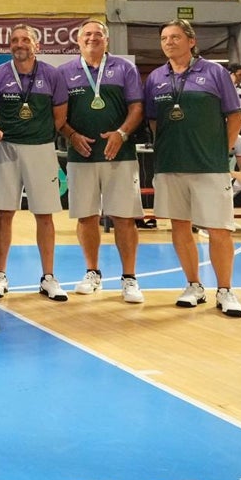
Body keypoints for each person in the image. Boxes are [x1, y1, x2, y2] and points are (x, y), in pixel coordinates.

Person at [144, 19, 241, 318]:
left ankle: (225, 290)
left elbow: (235, 118)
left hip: (209, 166)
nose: (169, 42)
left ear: (191, 40)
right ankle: (194, 285)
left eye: (175, 36)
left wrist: (218, 152)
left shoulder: (215, 72)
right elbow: (153, 121)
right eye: (164, 38)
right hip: (171, 165)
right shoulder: (155, 78)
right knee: (179, 226)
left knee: (219, 229)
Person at [56, 20, 146, 303]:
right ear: (78, 40)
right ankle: (92, 272)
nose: (92, 38)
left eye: (98, 34)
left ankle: (129, 278)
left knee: (123, 217)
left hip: (120, 154)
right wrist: (71, 135)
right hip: (81, 155)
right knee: (86, 216)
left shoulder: (124, 68)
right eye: (87, 34)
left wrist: (121, 133)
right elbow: (58, 115)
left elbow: (137, 107)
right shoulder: (64, 72)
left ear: (106, 40)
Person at [0, 24, 69, 301]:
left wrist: (39, 137)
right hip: (6, 150)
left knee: (44, 214)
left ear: (36, 45)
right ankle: (0, 274)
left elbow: (59, 117)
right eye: (15, 40)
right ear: (10, 46)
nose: (20, 44)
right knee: (4, 213)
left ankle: (48, 277)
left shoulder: (52, 75)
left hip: (41, 149)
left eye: (25, 40)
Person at [227, 62, 241, 146]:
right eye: (240, 75)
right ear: (232, 74)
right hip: (231, 123)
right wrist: (230, 82)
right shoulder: (224, 87)